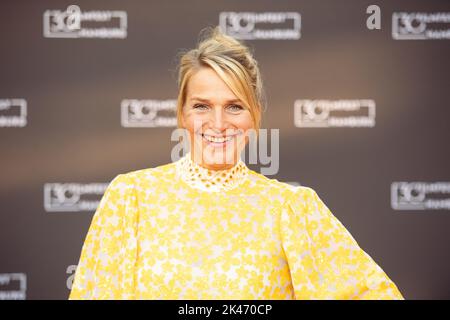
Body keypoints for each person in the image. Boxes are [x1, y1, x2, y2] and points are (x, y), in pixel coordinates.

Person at [69, 26, 404, 300]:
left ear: (254, 116)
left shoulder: (291, 208)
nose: (218, 122)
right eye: (202, 106)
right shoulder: (131, 198)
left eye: (234, 106)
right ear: (182, 114)